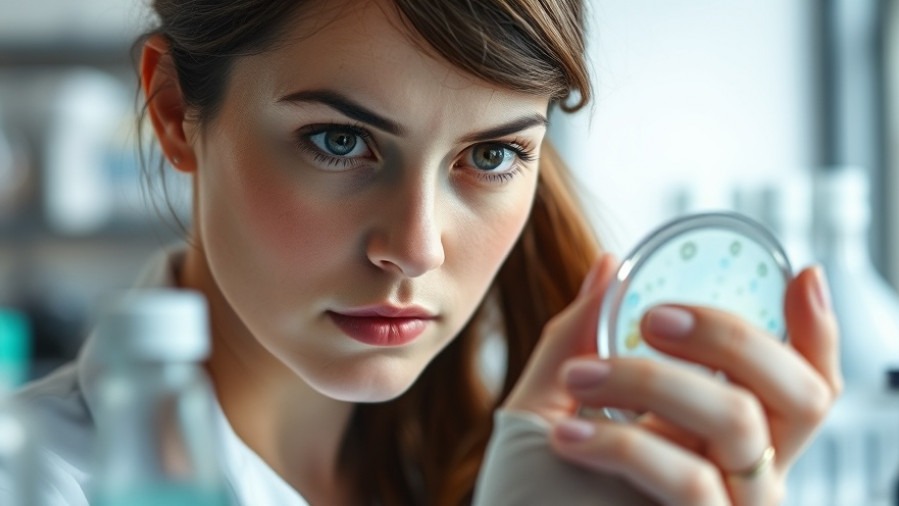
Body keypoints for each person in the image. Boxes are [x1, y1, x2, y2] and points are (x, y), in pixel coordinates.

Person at [3, 1, 841, 505]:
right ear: (173, 110)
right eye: (338, 140)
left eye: (491, 155)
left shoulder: (546, 467)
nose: (415, 248)